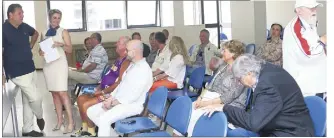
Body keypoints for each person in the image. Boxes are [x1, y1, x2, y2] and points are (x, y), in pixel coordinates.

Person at [203, 54, 315, 137]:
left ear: (249, 74)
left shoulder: (267, 86)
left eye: (239, 79)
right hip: (280, 124)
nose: (238, 83)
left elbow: (254, 123)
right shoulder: (263, 69)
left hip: (293, 131)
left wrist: (224, 108)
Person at [173, 40, 247, 137]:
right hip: (211, 99)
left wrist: (205, 103)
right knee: (185, 111)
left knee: (196, 116)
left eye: (224, 51)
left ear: (233, 54)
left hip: (229, 105)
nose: (221, 53)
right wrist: (200, 98)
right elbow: (210, 85)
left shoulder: (241, 72)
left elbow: (229, 97)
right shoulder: (223, 67)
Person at [86, 40, 153, 137]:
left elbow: (134, 95)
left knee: (104, 119)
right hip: (119, 101)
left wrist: (114, 103)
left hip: (132, 105)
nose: (125, 52)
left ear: (135, 52)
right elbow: (121, 85)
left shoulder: (144, 70)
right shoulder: (132, 65)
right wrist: (110, 98)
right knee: (91, 111)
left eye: (127, 50)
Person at [71, 36, 131, 137]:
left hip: (110, 94)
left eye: (118, 42)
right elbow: (108, 75)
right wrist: (99, 87)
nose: (116, 44)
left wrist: (103, 92)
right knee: (81, 99)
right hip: (103, 89)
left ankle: (91, 133)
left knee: (86, 105)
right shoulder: (118, 59)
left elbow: (119, 83)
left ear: (125, 46)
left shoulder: (126, 62)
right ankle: (85, 129)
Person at [3, 4, 44, 137]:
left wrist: (31, 45)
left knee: (28, 100)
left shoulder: (24, 26)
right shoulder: (3, 30)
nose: (22, 15)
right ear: (11, 15)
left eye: (23, 13)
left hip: (30, 67)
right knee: (35, 98)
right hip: (17, 71)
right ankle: (40, 117)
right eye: (20, 13)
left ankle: (27, 129)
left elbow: (36, 33)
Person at [39, 9, 74, 134]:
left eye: (59, 18)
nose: (57, 20)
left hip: (60, 64)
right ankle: (59, 121)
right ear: (49, 18)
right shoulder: (43, 32)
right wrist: (41, 52)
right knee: (54, 94)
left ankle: (71, 122)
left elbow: (70, 49)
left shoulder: (63, 31)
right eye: (54, 18)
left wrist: (60, 44)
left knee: (62, 93)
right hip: (48, 65)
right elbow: (40, 50)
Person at [282, 0, 326, 98]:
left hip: (316, 82)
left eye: (315, 7)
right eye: (310, 8)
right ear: (299, 10)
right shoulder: (296, 28)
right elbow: (309, 53)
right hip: (306, 87)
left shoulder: (309, 23)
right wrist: (324, 39)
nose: (314, 10)